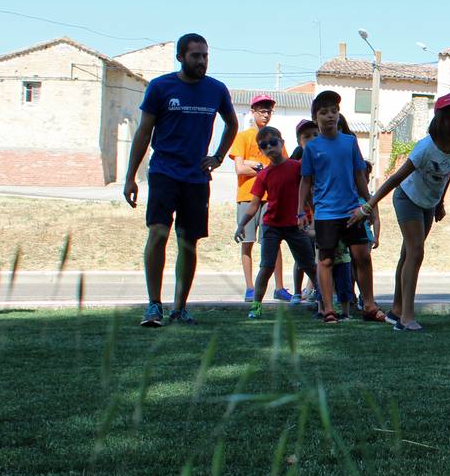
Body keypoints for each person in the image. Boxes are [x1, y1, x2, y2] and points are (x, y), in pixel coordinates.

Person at [123, 33, 239, 327]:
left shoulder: (216, 89)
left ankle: (180, 308)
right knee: (158, 233)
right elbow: (143, 132)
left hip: (196, 178)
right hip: (164, 172)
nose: (202, 61)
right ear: (180, 57)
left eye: (205, 56)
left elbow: (232, 124)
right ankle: (154, 305)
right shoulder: (160, 87)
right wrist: (130, 177)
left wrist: (218, 157)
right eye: (195, 56)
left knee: (188, 243)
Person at [368, 94, 450, 332]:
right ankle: (406, 318)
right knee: (416, 252)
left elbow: (446, 175)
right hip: (407, 198)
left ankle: (396, 310)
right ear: (439, 119)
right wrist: (369, 205)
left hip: (429, 203)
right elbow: (395, 179)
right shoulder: (425, 148)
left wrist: (440, 203)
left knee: (408, 254)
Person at [297, 90, 383, 324]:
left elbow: (359, 175)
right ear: (316, 118)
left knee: (362, 257)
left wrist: (369, 204)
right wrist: (300, 212)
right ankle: (328, 310)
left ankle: (369, 305)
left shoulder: (350, 142)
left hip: (352, 211)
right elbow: (306, 181)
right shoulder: (311, 148)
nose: (330, 116)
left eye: (334, 111)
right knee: (325, 260)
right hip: (325, 213)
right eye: (324, 112)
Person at [233, 126, 317, 320]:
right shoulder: (263, 175)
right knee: (266, 267)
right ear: (261, 150)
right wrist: (241, 225)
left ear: (282, 143)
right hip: (271, 226)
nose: (269, 147)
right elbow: (254, 204)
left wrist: (313, 218)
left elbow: (307, 195)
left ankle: (325, 302)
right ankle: (256, 305)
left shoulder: (296, 167)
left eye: (273, 142)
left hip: (295, 226)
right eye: (264, 145)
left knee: (309, 265)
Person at [230, 94, 291, 302]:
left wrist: (254, 166)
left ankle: (279, 287)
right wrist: (263, 168)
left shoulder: (275, 137)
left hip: (271, 198)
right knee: (247, 241)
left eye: (269, 111)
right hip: (247, 196)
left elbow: (282, 166)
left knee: (273, 242)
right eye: (262, 111)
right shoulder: (243, 137)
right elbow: (239, 168)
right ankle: (250, 287)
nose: (265, 115)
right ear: (253, 112)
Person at [289, 119, 319, 305]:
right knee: (301, 256)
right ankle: (297, 292)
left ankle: (315, 289)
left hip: (321, 216)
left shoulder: (325, 160)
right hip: (303, 217)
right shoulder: (297, 165)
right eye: (306, 136)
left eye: (315, 135)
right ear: (299, 141)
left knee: (318, 255)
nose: (312, 139)